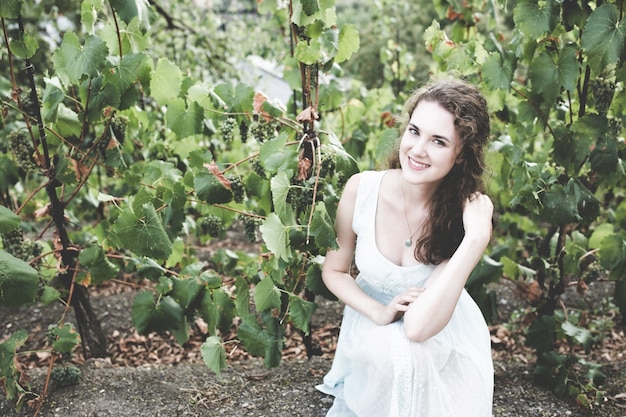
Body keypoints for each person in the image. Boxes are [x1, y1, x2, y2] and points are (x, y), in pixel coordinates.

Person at [316, 78, 494, 417]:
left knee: (416, 360)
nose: (417, 149)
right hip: (372, 321)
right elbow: (335, 270)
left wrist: (475, 240)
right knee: (384, 356)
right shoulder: (361, 190)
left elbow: (417, 328)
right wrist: (378, 312)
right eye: (414, 131)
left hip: (437, 330)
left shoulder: (462, 214)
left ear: (460, 155)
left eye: (439, 141)